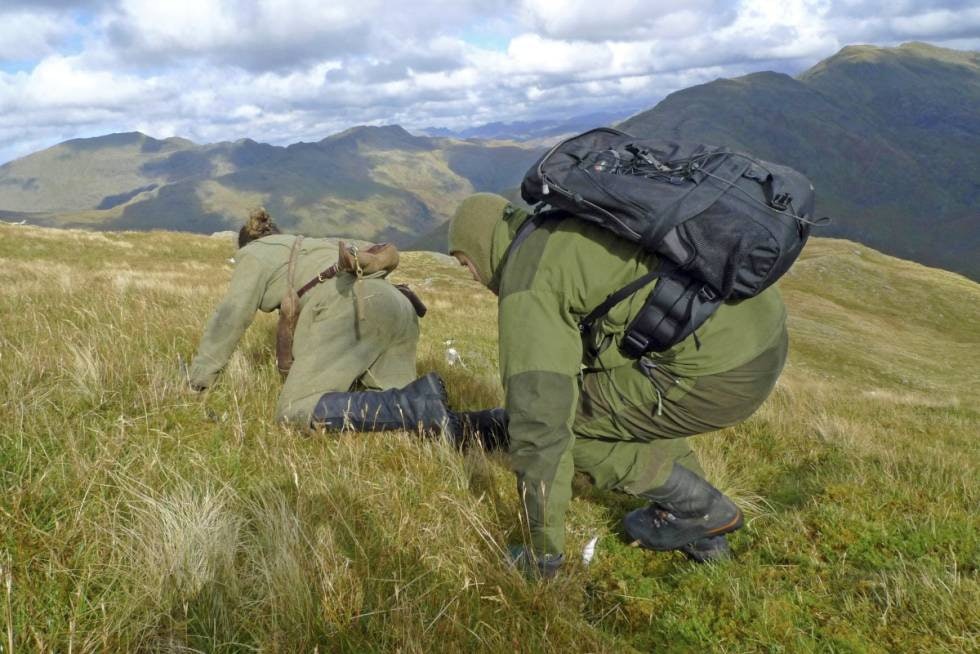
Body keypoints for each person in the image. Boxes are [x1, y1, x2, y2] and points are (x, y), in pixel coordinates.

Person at [448, 193, 789, 577]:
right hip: (759, 333)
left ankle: (698, 509)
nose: (470, 275)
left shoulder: (529, 279)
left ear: (480, 244)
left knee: (567, 426)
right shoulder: (558, 228)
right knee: (616, 406)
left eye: (464, 262)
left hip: (723, 373)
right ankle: (701, 532)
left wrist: (542, 551)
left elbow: (541, 424)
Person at [189, 208, 503, 441]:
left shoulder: (253, 253)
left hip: (351, 308)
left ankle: (416, 406)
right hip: (396, 304)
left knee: (295, 409)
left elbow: (231, 315)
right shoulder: (309, 245)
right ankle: (493, 426)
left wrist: (199, 379)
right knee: (410, 421)